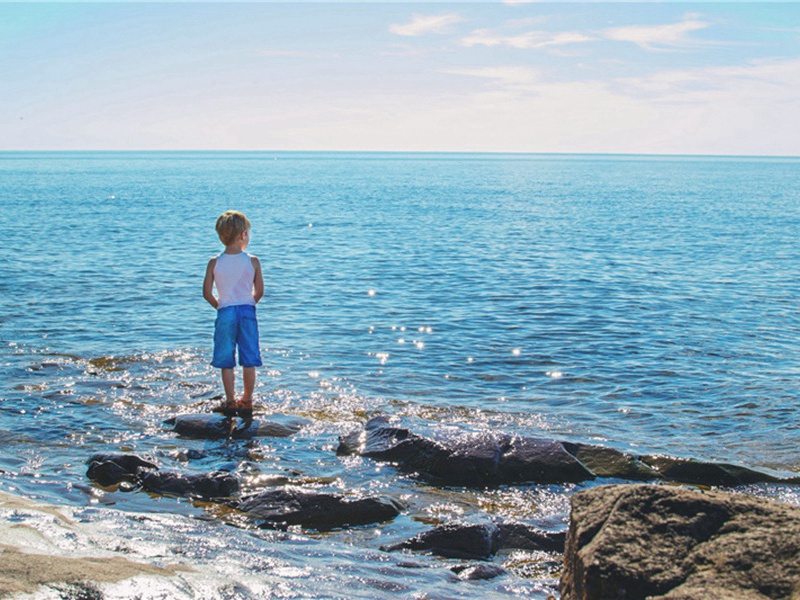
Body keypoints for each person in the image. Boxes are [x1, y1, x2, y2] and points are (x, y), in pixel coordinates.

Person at [203, 210, 264, 418]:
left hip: (225, 311)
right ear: (242, 236)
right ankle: (247, 400)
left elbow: (206, 293)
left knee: (226, 358)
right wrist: (248, 303)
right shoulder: (253, 261)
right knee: (249, 357)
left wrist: (220, 305)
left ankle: (230, 401)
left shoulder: (214, 262)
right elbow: (260, 291)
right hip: (247, 310)